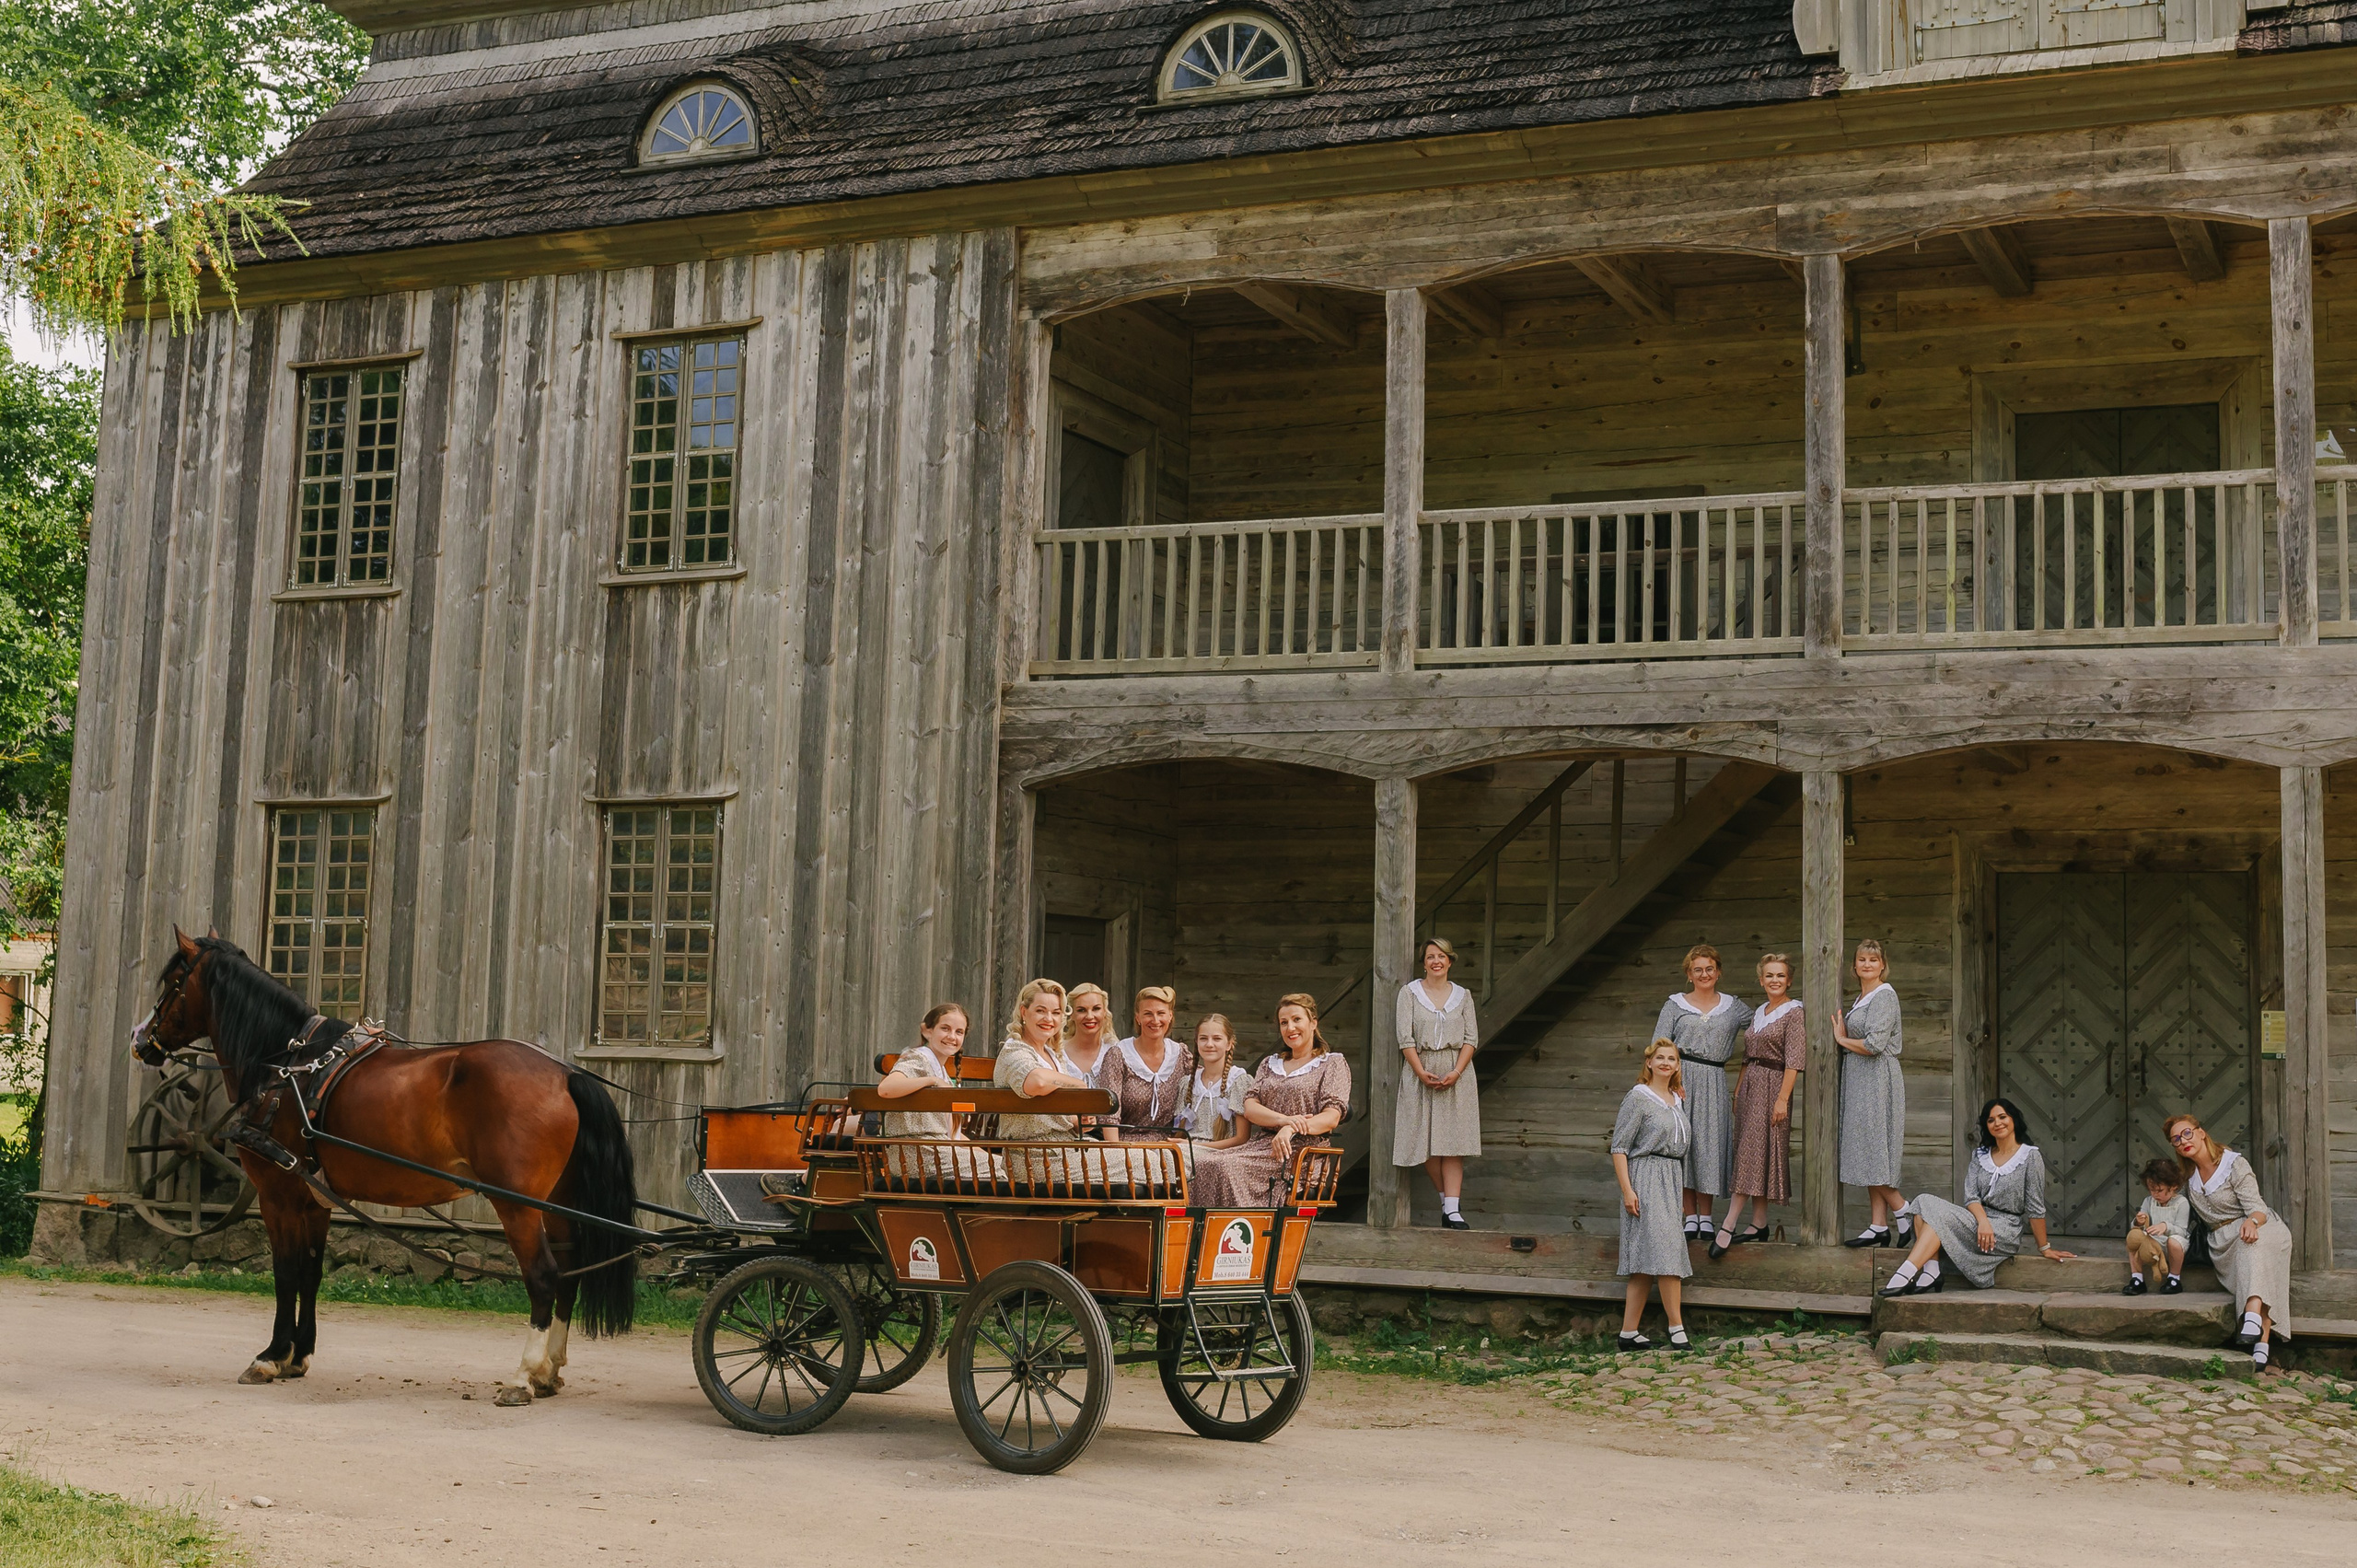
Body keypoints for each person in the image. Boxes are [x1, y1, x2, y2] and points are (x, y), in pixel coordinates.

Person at [1879, 1098, 2073, 1296]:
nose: (1997, 1123)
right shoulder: (1980, 1154)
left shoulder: (2030, 1156)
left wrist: (2044, 1248)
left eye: (2002, 1117)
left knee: (1934, 1217)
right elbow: (1971, 1196)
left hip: (2006, 1228)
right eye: (1991, 1120)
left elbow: (2035, 1207)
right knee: (1923, 1202)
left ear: (2014, 1119)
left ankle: (1904, 1275)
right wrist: (1983, 1221)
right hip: (1978, 1220)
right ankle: (1931, 1272)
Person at [1190, 993, 1352, 1209]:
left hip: (1299, 1152)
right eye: (1284, 1022)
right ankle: (1206, 1227)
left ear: (1313, 1023)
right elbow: (1250, 1108)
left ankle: (1242, 1227)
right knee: (1202, 1163)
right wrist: (1284, 1121)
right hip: (1262, 1146)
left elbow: (1331, 1117)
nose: (1290, 1028)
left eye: (1297, 1019)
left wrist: (1291, 1129)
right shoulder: (1270, 1064)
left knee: (1226, 1166)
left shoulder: (1331, 1064)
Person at [2166, 1112, 2292, 1369]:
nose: (2183, 1141)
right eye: (2176, 1139)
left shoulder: (2234, 1164)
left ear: (2201, 1133)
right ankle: (2261, 1339)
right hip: (2222, 1242)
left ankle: (2252, 1318)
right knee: (2257, 1263)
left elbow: (2257, 1208)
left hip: (2260, 1226)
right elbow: (2174, 1208)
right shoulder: (2188, 1178)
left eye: (2187, 1133)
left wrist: (2252, 1222)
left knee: (2253, 1245)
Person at [1654, 943, 1746, 1242]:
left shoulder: (1733, 1007)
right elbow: (1659, 1045)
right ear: (1689, 974)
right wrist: (1668, 1081)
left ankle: (1706, 1217)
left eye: (1709, 969)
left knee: (1708, 1146)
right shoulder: (1675, 1005)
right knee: (1682, 1144)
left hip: (1714, 1080)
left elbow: (1763, 1024)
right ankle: (1689, 1216)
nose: (1704, 974)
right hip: (1679, 1080)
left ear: (1718, 972)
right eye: (1698, 970)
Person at [1713, 953, 1802, 1259]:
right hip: (1751, 1086)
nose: (1775, 980)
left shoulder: (1794, 1012)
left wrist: (1782, 1099)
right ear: (1761, 980)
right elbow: (1747, 1056)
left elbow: (1794, 1061)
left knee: (1752, 1153)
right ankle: (1759, 1224)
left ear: (1789, 980)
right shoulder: (1760, 1012)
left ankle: (1728, 1224)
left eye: (1780, 975)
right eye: (1769, 975)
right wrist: (1738, 1091)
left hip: (1774, 1086)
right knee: (1753, 1151)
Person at [1393, 936, 1481, 1230]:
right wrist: (1420, 1072)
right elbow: (1405, 1038)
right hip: (1421, 1071)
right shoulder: (1409, 994)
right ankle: (1447, 1203)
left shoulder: (1463, 995)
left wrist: (1456, 1071)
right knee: (1427, 1144)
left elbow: (1471, 1038)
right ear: (1424, 963)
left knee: (1453, 1145)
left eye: (1442, 956)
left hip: (1457, 1074)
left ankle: (1453, 1211)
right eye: (1431, 956)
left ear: (1450, 961)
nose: (1436, 961)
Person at [1612, 1038, 1692, 1352]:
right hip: (1645, 1177)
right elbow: (1619, 1147)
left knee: (1647, 1260)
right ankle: (1676, 1328)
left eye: (1671, 1059)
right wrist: (1628, 1190)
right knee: (1668, 1252)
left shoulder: (1677, 1099)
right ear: (1649, 1062)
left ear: (1677, 1066)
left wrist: (1679, 1194)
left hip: (1670, 1178)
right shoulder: (1638, 1097)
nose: (1665, 1063)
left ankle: (1628, 1332)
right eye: (1660, 1058)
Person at [1834, 938, 1910, 1249]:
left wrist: (1841, 1040)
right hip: (1860, 1079)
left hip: (1877, 1078)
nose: (1867, 964)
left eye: (1873, 960)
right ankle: (1879, 1225)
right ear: (1854, 966)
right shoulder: (1862, 998)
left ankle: (1904, 1211)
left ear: (1882, 965)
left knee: (1873, 1149)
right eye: (1862, 959)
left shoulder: (1884, 995)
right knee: (1869, 1148)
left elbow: (1875, 1044)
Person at [875, 1003, 997, 1180]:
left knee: (1003, 1165)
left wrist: (984, 1154)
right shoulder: (919, 1058)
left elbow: (953, 1136)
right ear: (928, 1031)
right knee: (1006, 1170)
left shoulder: (941, 1071)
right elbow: (886, 1089)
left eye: (959, 1032)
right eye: (945, 1028)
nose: (952, 1037)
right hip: (916, 1155)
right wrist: (932, 1080)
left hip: (935, 1152)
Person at [1099, 985, 1190, 1136]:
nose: (1155, 1020)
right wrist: (1115, 1149)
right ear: (1138, 1018)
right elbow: (1109, 1115)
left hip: (1170, 1144)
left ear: (1170, 1016)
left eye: (1161, 1013)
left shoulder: (1181, 1055)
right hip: (1127, 1142)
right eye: (1148, 1014)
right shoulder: (1118, 1055)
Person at [2124, 1156, 2191, 1296]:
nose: (2155, 1194)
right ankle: (2137, 1279)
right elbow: (2136, 1229)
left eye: (2159, 1190)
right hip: (2153, 1244)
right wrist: (2138, 1222)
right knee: (2134, 1240)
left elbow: (2181, 1230)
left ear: (2173, 1186)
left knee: (2173, 1241)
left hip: (2174, 1243)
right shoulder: (2149, 1201)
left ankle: (2174, 1278)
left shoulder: (2181, 1203)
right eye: (2151, 1190)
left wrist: (2165, 1226)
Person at [1182, 1014, 1252, 1149]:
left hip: (1221, 1153)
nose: (1209, 1044)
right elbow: (1179, 1134)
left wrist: (1194, 1146)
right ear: (1196, 1042)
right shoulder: (1188, 1083)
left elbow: (1242, 1139)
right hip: (1186, 1149)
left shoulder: (1237, 1081)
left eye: (1217, 1039)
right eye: (1203, 1038)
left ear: (1229, 1044)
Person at [1063, 981, 1117, 1082]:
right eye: (1081, 1010)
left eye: (1096, 1009)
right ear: (1072, 1014)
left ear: (1104, 1012)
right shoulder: (1057, 1053)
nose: (1089, 1016)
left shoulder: (1114, 1051)